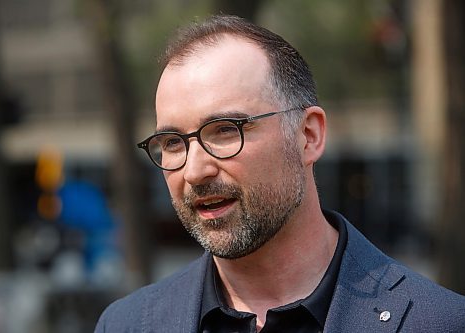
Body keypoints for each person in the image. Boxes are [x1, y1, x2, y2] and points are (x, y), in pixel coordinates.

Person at [95, 14, 465, 333]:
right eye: (173, 142)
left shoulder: (440, 322)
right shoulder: (127, 323)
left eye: (226, 129)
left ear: (308, 135)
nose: (194, 171)